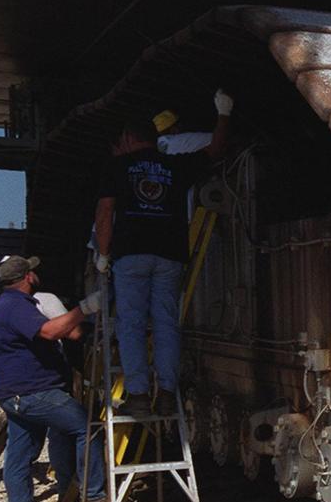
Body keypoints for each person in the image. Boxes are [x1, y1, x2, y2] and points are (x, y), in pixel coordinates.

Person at [93, 89, 232, 419]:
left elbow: (105, 213)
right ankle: (167, 393)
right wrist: (224, 114)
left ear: (129, 138)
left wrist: (103, 254)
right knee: (167, 324)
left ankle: (139, 395)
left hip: (131, 254)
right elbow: (215, 149)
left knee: (131, 324)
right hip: (170, 255)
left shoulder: (118, 166)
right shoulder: (175, 165)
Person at [0, 255, 108, 502]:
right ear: (28, 277)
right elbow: (51, 331)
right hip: (32, 392)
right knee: (87, 427)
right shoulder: (16, 305)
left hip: (13, 394)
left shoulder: (0, 307)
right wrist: (85, 308)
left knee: (19, 455)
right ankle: (93, 495)